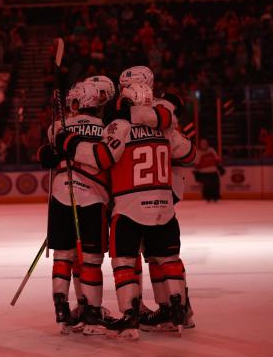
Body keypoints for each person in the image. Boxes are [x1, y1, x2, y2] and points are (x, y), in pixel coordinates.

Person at [56, 82, 196, 340]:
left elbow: (102, 157)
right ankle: (177, 311)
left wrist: (70, 144)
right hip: (163, 204)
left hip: (129, 206)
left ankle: (130, 317)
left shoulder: (120, 126)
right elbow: (189, 153)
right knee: (167, 259)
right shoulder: (164, 127)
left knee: (124, 262)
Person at [37, 82, 111, 335]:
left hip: (60, 195)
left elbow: (48, 155)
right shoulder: (105, 129)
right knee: (90, 259)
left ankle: (61, 311)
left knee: (62, 256)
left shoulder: (57, 127)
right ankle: (91, 314)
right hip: (91, 197)